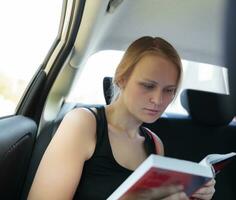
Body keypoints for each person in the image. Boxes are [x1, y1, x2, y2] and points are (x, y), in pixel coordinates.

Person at [28, 36, 216, 200]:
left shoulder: (154, 144)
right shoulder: (83, 124)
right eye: (148, 85)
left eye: (169, 91)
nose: (158, 100)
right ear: (121, 78)